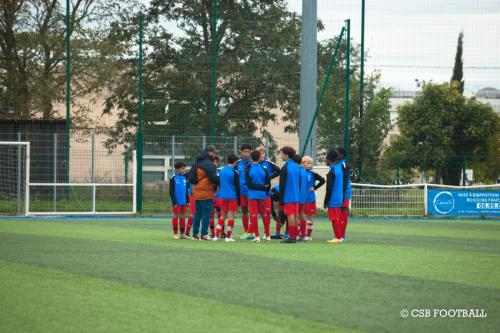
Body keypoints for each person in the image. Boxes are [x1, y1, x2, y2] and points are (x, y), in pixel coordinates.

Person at [188, 148, 220, 240]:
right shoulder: (209, 164)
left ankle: (194, 234)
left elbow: (190, 177)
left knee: (197, 213)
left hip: (197, 192)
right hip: (206, 192)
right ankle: (204, 234)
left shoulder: (196, 163)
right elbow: (213, 177)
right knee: (206, 214)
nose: (214, 155)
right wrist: (221, 182)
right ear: (210, 153)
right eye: (214, 153)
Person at [244, 150, 272, 242]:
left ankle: (257, 236)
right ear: (259, 157)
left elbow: (249, 185)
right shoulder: (264, 169)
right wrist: (263, 188)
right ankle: (267, 235)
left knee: (253, 215)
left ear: (251, 158)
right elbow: (268, 184)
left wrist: (259, 187)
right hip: (263, 195)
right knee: (264, 214)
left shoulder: (248, 169)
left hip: (252, 195)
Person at [213, 153, 240, 242]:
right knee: (231, 217)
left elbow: (219, 184)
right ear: (235, 162)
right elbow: (237, 187)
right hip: (232, 197)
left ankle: (216, 236)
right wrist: (239, 200)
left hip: (223, 196)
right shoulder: (235, 172)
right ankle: (228, 237)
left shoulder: (222, 171)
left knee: (222, 216)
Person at [324, 149, 348, 243]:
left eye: (326, 159)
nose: (326, 161)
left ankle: (338, 237)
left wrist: (326, 202)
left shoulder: (332, 171)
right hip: (339, 198)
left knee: (334, 219)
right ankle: (340, 236)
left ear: (329, 160)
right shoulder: (339, 169)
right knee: (337, 218)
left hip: (333, 199)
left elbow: (329, 188)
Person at [278, 146, 301, 243]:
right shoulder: (297, 167)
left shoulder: (285, 167)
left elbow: (282, 184)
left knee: (290, 215)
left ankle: (291, 237)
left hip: (288, 195)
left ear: (287, 155)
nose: (281, 156)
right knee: (295, 215)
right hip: (296, 195)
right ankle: (294, 235)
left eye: (282, 154)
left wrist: (281, 199)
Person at [301, 156, 325, 241]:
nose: (310, 164)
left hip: (310, 198)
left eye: (311, 163)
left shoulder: (312, 173)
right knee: (301, 217)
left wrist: (314, 187)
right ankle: (301, 234)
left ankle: (309, 235)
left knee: (310, 217)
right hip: (301, 199)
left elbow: (322, 180)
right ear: (302, 163)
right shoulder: (300, 172)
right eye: (308, 163)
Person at [235, 143, 252, 238]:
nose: (247, 154)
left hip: (251, 192)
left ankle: (252, 231)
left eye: (249, 152)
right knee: (244, 211)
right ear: (241, 152)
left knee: (253, 211)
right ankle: (246, 231)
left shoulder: (253, 163)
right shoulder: (237, 164)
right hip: (242, 192)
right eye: (245, 152)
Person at [169, 161, 189, 239]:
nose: (184, 170)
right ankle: (175, 234)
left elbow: (186, 190)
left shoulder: (185, 178)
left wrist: (187, 201)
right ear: (177, 169)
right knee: (175, 216)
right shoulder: (173, 178)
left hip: (183, 201)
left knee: (183, 217)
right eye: (182, 169)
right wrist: (174, 202)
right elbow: (171, 192)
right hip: (176, 202)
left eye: (184, 169)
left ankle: (182, 234)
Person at [336, 147, 352, 241]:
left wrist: (341, 194)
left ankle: (342, 235)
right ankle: (338, 235)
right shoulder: (337, 164)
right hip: (339, 193)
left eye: (337, 153)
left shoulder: (343, 164)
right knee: (338, 213)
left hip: (344, 193)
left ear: (341, 155)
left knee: (342, 213)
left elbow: (345, 181)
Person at [294, 154, 308, 240]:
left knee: (296, 215)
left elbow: (297, 184)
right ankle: (303, 234)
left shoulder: (297, 171)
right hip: (303, 196)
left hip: (297, 196)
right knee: (302, 214)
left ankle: (296, 233)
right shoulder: (304, 172)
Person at [210, 155, 223, 238]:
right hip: (210, 197)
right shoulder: (208, 172)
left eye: (215, 162)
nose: (214, 164)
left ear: (217, 163)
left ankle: (222, 232)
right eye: (212, 162)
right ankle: (212, 233)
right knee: (210, 216)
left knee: (220, 215)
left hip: (219, 197)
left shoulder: (220, 172)